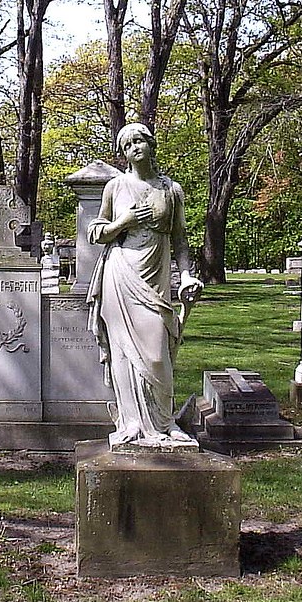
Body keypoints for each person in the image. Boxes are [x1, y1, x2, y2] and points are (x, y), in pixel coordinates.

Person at [87, 123, 204, 447]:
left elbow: (180, 240)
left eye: (139, 141)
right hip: (121, 276)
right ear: (123, 153)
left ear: (151, 145)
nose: (135, 147)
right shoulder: (115, 187)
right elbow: (96, 232)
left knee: (157, 356)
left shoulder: (171, 190)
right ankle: (132, 424)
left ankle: (164, 425)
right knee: (124, 355)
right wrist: (123, 222)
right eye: (127, 145)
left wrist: (187, 274)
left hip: (156, 280)